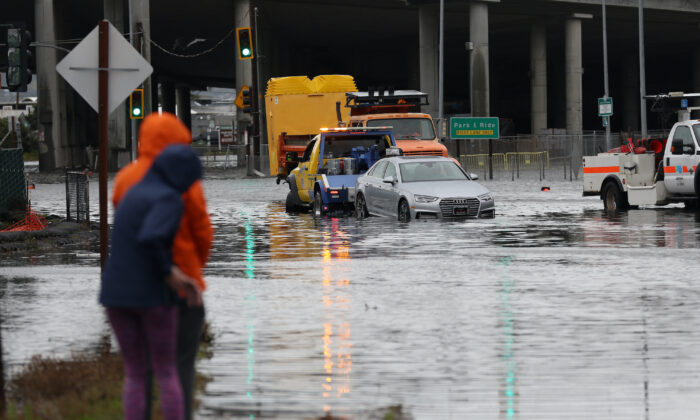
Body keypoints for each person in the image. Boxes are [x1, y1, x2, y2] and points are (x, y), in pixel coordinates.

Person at [112, 112, 214, 420]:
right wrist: (193, 269)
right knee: (178, 366)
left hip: (134, 287)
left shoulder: (125, 178)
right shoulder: (183, 181)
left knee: (137, 370)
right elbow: (203, 233)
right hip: (179, 289)